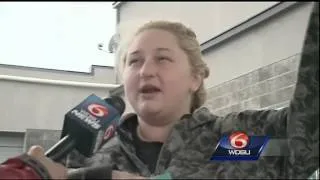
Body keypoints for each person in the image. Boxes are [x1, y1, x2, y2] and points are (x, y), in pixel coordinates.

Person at [0, 2, 318, 179]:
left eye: (163, 58)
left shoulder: (234, 141)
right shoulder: (87, 155)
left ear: (196, 77)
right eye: (134, 61)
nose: (145, 70)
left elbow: (307, 134)